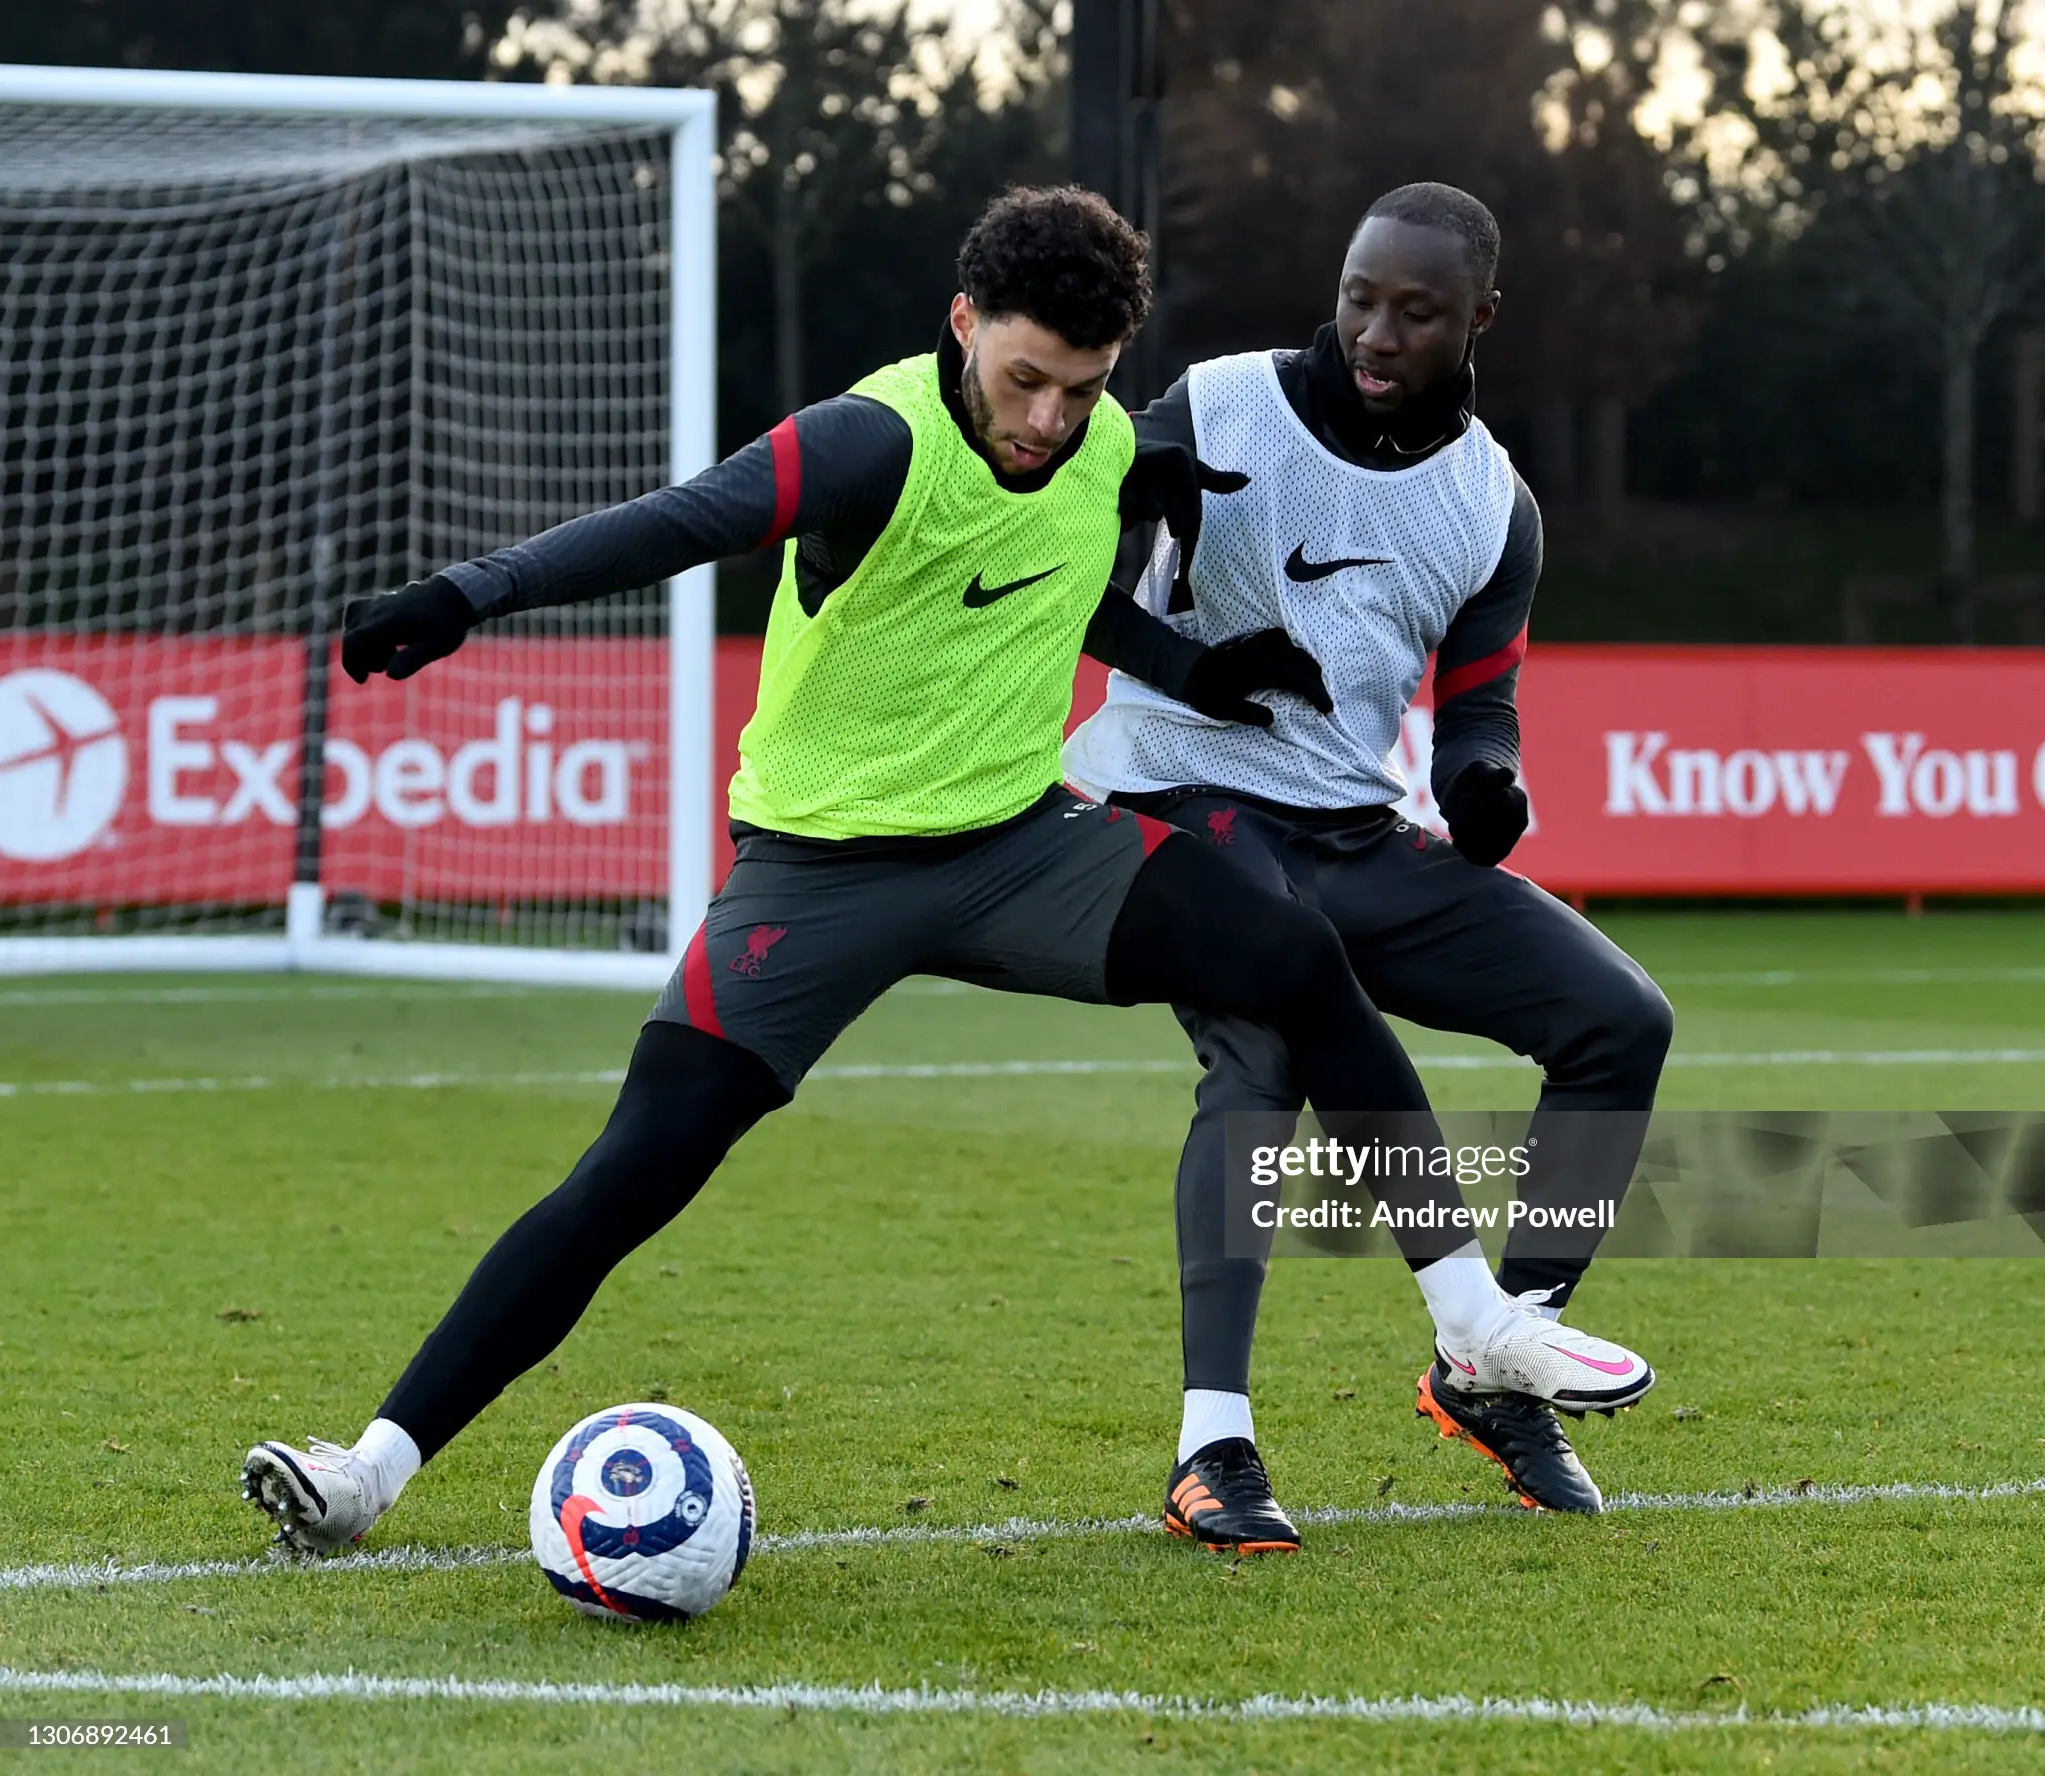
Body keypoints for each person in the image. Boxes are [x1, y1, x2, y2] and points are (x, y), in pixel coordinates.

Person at [241, 185, 1598, 1560]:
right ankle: (367, 1472)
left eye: (1082, 389)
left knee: (1293, 953)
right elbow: (675, 521)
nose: (1051, 421)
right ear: (963, 324)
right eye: (1025, 381)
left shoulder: (1105, 443)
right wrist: (467, 596)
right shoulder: (869, 442)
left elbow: (1064, 587)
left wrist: (1196, 668)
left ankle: (1473, 1320)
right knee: (633, 1174)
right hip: (818, 875)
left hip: (1017, 849)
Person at [1065, 181, 1673, 1524]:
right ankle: (1209, 1445)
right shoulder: (1218, 407)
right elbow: (1066, 588)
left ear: (1480, 321)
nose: (1376, 333)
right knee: (1266, 1043)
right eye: (1359, 299)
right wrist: (1188, 666)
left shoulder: (1492, 506)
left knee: (1621, 1021)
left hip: (1349, 826)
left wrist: (1487, 785)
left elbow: (1481, 708)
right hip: (1176, 795)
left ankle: (1502, 1359)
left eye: (1416, 311)